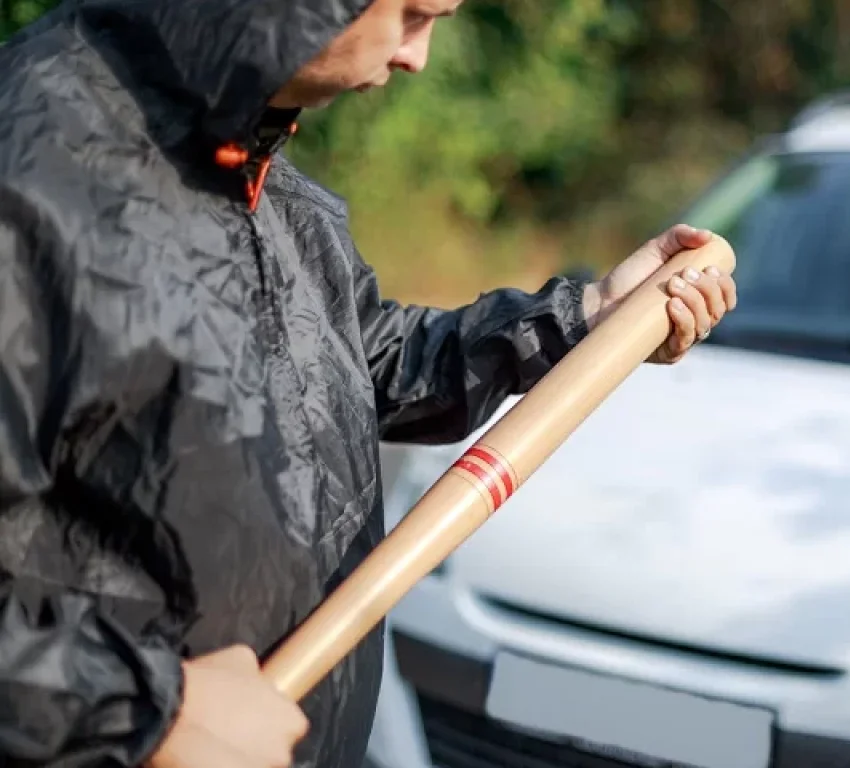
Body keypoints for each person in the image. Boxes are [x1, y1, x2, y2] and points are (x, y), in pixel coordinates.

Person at [0, 1, 736, 767]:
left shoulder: (254, 175)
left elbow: (364, 360)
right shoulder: (30, 186)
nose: (417, 56)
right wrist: (145, 712)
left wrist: (585, 315)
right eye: (414, 14)